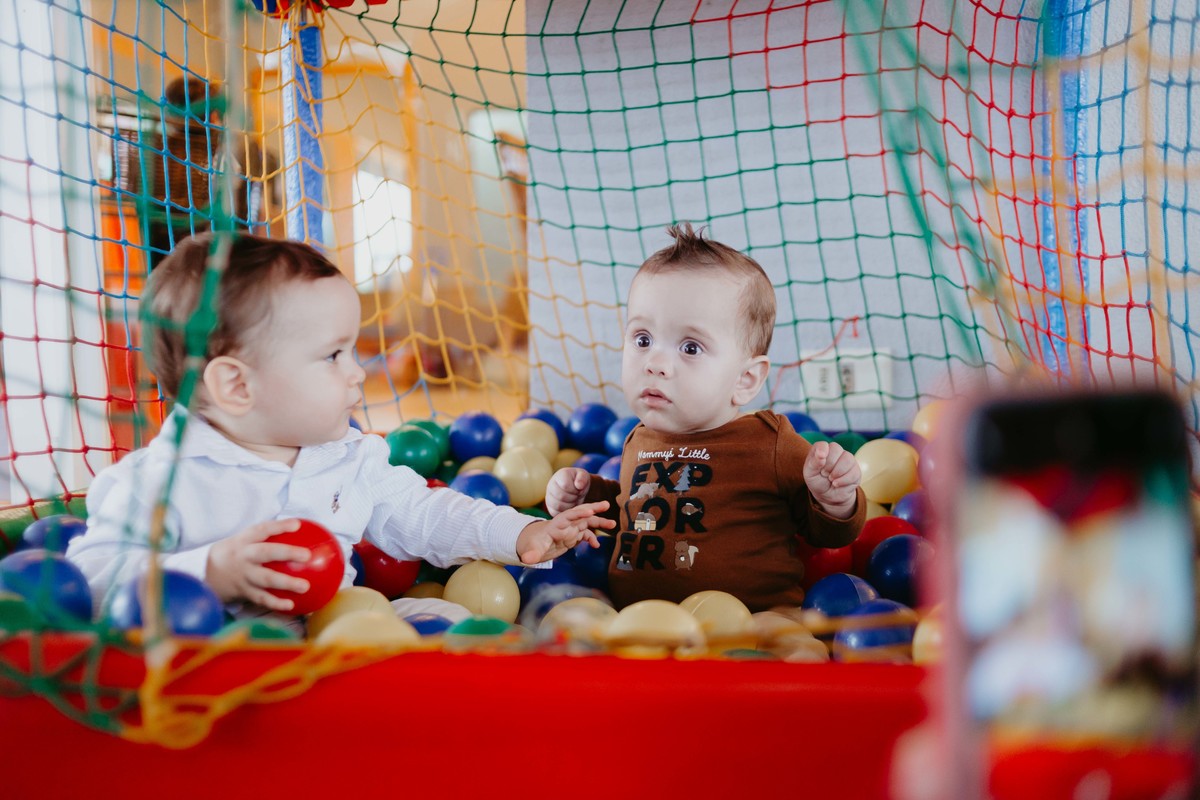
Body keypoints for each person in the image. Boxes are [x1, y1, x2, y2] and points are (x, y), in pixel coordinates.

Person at [67, 232, 613, 623]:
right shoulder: (157, 481)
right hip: (214, 667)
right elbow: (89, 580)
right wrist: (209, 571)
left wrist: (519, 534)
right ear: (236, 385)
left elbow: (423, 512)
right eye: (333, 355)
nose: (357, 373)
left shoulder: (346, 456)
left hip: (339, 634)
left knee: (453, 623)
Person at [545, 224, 864, 612]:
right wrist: (586, 498)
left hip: (755, 624)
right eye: (643, 339)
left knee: (792, 643)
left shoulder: (769, 443)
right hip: (642, 626)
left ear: (745, 380)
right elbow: (635, 510)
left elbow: (828, 535)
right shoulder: (639, 439)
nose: (655, 363)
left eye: (691, 347)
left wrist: (834, 500)